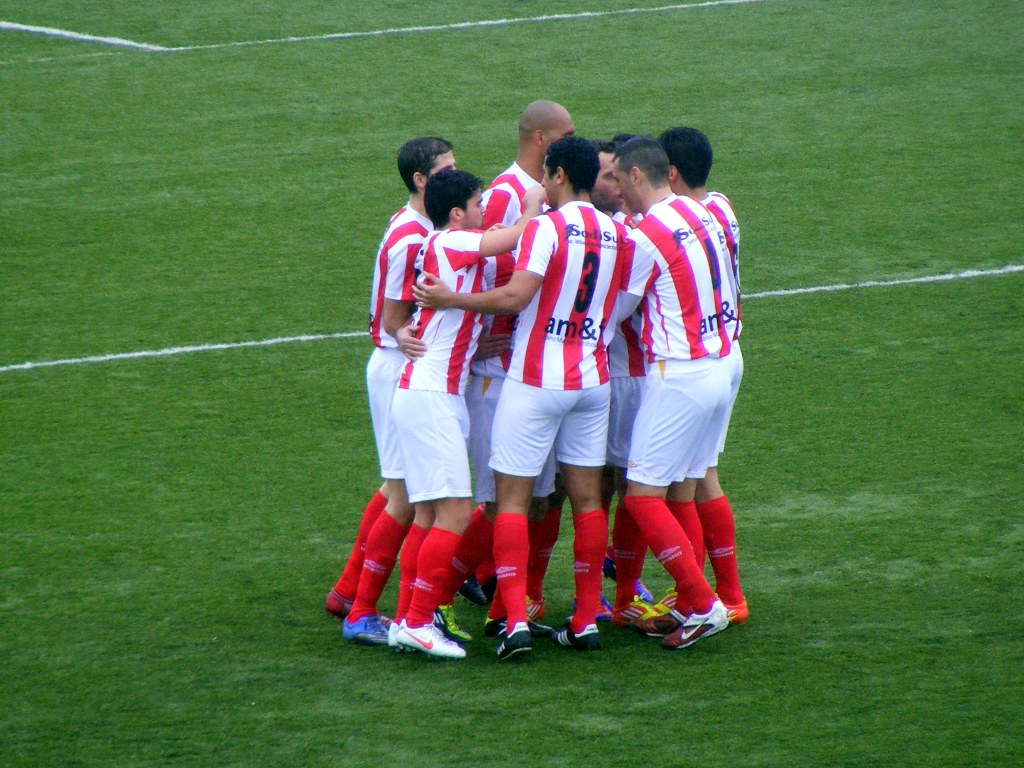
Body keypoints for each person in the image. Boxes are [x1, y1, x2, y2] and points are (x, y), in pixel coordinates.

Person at [415, 137, 633, 658]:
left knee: (512, 501)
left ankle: (513, 621)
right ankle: (585, 619)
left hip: (536, 379)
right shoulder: (620, 232)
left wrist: (451, 298)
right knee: (587, 501)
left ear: (558, 175)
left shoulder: (545, 227)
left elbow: (515, 296)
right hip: (592, 379)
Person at [389, 169, 545, 658]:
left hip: (434, 392)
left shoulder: (450, 244)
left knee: (428, 514)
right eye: (478, 204)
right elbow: (518, 236)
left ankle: (406, 619)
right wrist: (534, 202)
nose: (484, 210)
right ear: (457, 213)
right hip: (431, 395)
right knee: (456, 511)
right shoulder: (452, 241)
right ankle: (419, 621)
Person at [443, 100, 577, 638]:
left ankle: (505, 604)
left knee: (538, 499)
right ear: (541, 138)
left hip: (531, 372)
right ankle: (443, 591)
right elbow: (478, 269)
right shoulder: (505, 194)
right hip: (496, 373)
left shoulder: (548, 196)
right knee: (504, 501)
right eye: (567, 133)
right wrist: (480, 334)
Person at [327, 137, 456, 646]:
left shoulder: (417, 226)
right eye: (445, 169)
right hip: (400, 366)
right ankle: (361, 611)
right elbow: (390, 317)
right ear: (421, 180)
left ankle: (347, 592)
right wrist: (404, 333)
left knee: (395, 489)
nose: (454, 174)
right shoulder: (411, 237)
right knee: (404, 496)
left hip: (401, 366)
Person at [610, 137, 732, 650]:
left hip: (679, 374)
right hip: (720, 362)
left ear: (638, 175)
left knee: (641, 496)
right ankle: (691, 600)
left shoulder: (647, 235)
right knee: (683, 486)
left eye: (619, 179)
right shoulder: (702, 210)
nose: (616, 190)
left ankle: (704, 605)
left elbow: (617, 310)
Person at [657, 126, 748, 623]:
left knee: (683, 484)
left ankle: (700, 597)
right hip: (728, 349)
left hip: (699, 356)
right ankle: (726, 594)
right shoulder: (722, 206)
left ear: (669, 173)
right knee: (703, 475)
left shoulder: (683, 222)